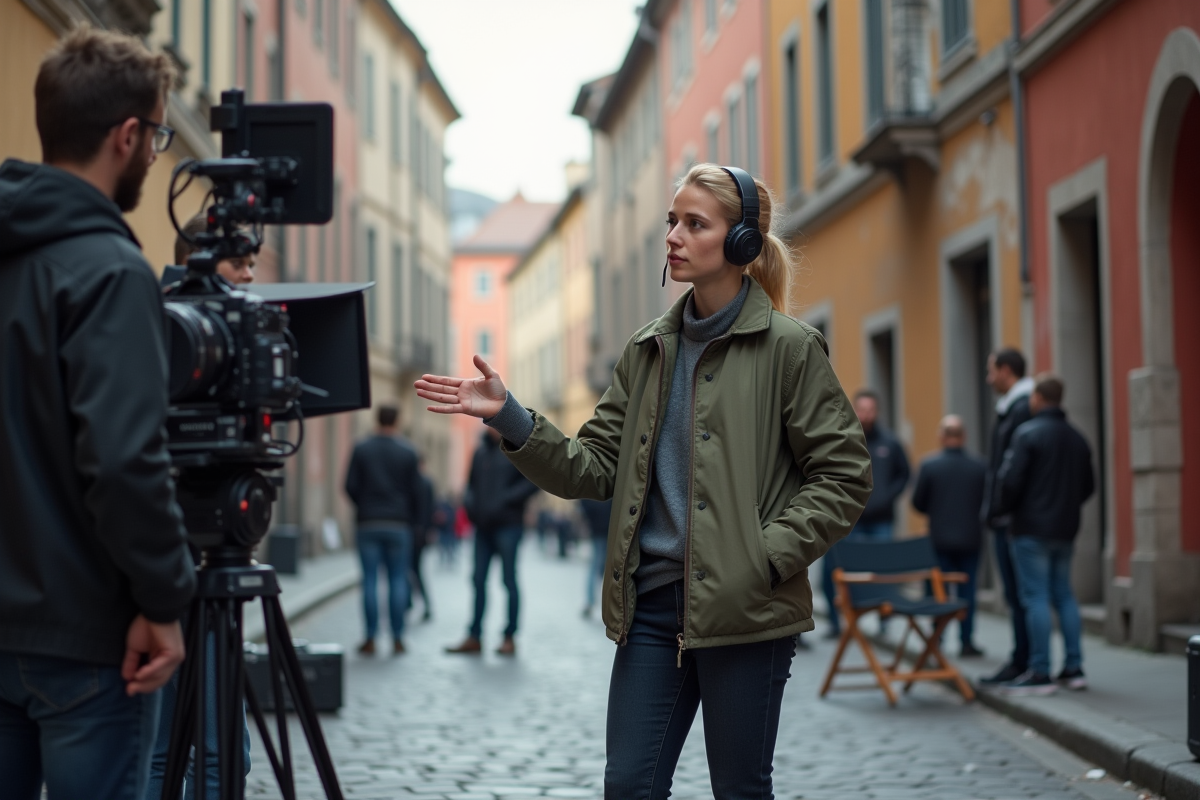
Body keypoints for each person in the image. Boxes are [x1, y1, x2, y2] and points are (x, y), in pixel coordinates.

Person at [417, 164, 871, 797]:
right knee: (629, 785)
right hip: (653, 612)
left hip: (746, 609)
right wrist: (510, 417)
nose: (674, 237)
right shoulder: (646, 351)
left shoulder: (789, 349)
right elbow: (592, 467)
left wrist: (764, 556)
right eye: (671, 222)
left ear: (740, 243)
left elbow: (844, 475)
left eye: (695, 224)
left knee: (740, 789)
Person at [0, 28, 196, 800]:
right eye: (156, 134)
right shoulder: (110, 270)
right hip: (86, 641)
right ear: (127, 136)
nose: (155, 152)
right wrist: (163, 600)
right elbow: (124, 463)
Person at [995, 375, 1094, 695]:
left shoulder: (1027, 434)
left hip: (1031, 529)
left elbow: (1009, 482)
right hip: (1065, 528)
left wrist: (1008, 510)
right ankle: (1074, 667)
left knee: (1035, 596)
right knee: (1064, 594)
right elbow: (1088, 486)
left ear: (1038, 397)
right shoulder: (1078, 438)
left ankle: (1040, 670)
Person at [821, 388, 910, 637]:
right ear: (854, 410)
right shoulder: (843, 440)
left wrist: (887, 497)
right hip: (848, 521)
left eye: (870, 410)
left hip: (881, 521)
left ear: (877, 411)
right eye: (861, 409)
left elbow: (904, 474)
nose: (866, 415)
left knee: (882, 571)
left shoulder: (891, 443)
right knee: (834, 569)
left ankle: (884, 618)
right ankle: (836, 622)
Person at [446, 428, 539, 656]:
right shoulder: (480, 452)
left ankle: (509, 637)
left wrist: (505, 500)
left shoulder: (517, 449)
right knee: (478, 580)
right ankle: (474, 636)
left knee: (509, 581)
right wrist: (469, 505)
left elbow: (532, 483)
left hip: (509, 526)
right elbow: (471, 485)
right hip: (483, 528)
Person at [344, 404, 426, 655]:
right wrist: (414, 521)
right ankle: (398, 637)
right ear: (397, 421)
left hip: (368, 522)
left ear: (376, 419)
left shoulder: (361, 448)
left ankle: (370, 637)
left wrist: (366, 506)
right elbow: (418, 492)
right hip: (398, 524)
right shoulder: (408, 452)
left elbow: (349, 486)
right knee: (398, 580)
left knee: (369, 581)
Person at [979, 347, 1036, 685]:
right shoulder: (1015, 408)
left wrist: (997, 510)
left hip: (1012, 521)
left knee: (1019, 596)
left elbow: (1011, 472)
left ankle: (1024, 661)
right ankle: (1024, 659)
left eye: (991, 371)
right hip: (1010, 519)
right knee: (1019, 596)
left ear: (1006, 371)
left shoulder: (1020, 409)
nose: (988, 379)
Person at [911, 415, 988, 657]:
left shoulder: (930, 465)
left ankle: (937, 637)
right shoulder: (980, 466)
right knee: (968, 592)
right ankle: (967, 641)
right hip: (970, 538)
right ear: (963, 436)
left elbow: (918, 503)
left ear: (942, 437)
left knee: (938, 590)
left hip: (939, 539)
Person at [172, 213, 257, 285]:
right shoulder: (160, 303)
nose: (249, 275)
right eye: (237, 264)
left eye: (250, 266)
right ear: (192, 264)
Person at [409, 460, 435, 622]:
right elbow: (431, 509)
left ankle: (413, 603)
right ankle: (423, 604)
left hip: (412, 533)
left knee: (411, 571)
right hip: (420, 533)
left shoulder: (416, 482)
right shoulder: (427, 482)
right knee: (416, 571)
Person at [581, 498, 614, 618]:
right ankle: (596, 602)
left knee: (597, 567)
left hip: (600, 529)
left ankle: (591, 602)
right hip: (605, 529)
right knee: (602, 567)